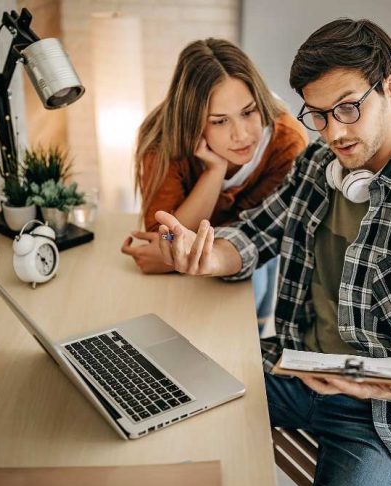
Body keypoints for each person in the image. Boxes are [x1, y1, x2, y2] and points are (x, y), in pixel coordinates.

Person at [152, 19, 391, 486]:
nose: (333, 132)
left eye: (347, 109)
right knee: (165, 399)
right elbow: (255, 235)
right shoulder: (318, 165)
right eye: (317, 114)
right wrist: (206, 257)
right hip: (294, 368)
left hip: (385, 415)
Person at [121, 38, 307, 332]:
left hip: (246, 260)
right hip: (195, 275)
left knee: (252, 302)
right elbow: (165, 235)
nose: (242, 135)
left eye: (248, 112)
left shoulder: (287, 143)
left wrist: (170, 259)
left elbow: (254, 233)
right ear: (194, 121)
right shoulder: (163, 141)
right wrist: (214, 171)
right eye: (220, 121)